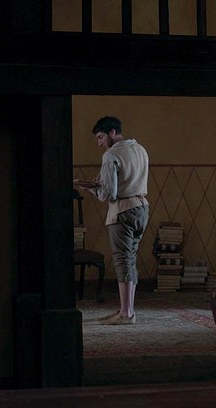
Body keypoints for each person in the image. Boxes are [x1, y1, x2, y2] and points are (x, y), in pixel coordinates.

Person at [75, 116, 149, 325]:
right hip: (142, 207)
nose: (99, 143)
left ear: (112, 133)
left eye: (100, 137)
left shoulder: (111, 154)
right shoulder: (140, 149)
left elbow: (109, 193)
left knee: (122, 260)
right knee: (130, 258)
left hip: (122, 210)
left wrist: (91, 188)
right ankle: (128, 310)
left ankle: (126, 313)